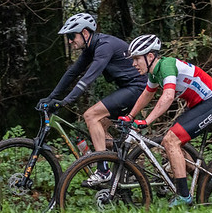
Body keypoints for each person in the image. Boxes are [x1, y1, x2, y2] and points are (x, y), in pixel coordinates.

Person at [39, 13, 148, 185]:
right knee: (100, 131)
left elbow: (87, 78)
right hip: (130, 89)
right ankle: (127, 166)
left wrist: (65, 101)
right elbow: (72, 73)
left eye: (71, 36)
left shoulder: (104, 46)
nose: (69, 41)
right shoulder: (91, 47)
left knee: (91, 116)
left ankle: (103, 171)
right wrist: (51, 97)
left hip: (137, 88)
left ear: (85, 33)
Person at [120, 34, 212, 207]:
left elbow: (168, 96)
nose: (133, 64)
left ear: (150, 56)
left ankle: (184, 196)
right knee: (168, 144)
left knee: (171, 141)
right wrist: (131, 116)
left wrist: (146, 121)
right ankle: (207, 179)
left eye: (137, 59)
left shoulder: (167, 65)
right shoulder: (155, 73)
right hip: (198, 105)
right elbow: (147, 94)